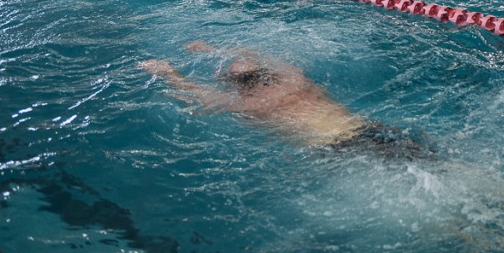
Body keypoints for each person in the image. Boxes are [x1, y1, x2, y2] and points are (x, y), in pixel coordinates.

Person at [142, 41, 431, 157]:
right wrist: (213, 49)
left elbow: (198, 97)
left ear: (231, 84)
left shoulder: (249, 104)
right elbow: (256, 55)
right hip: (371, 129)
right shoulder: (296, 78)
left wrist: (168, 72)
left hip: (336, 149)